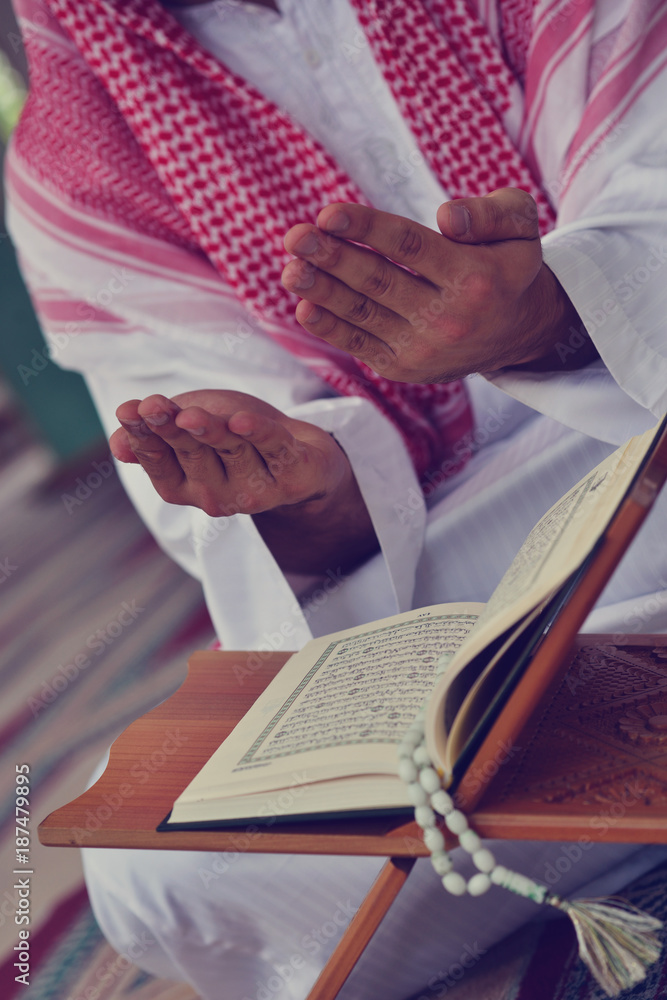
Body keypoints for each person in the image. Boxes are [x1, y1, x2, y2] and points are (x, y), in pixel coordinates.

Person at [6, 0, 667, 997]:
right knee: (159, 879)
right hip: (459, 560)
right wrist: (304, 490)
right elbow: (233, 505)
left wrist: (548, 312)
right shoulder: (77, 143)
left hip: (646, 429)